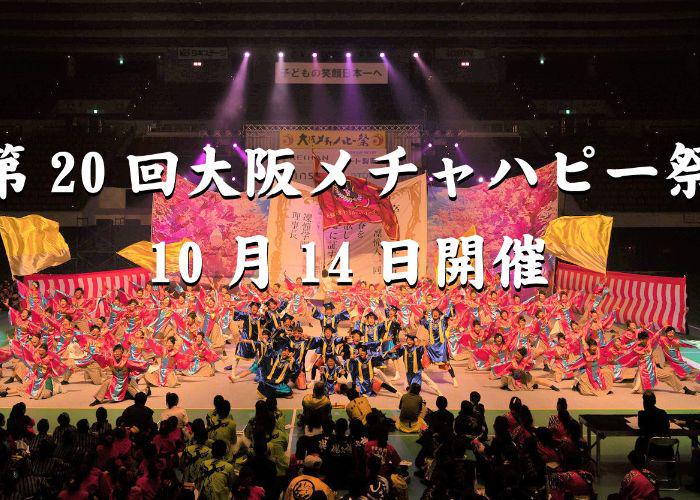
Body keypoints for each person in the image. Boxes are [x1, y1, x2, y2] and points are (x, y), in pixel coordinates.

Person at [635, 389, 670, 454]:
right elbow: (667, 427)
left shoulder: (641, 414)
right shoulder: (663, 413)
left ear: (644, 402)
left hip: (648, 447)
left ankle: (640, 463)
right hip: (664, 449)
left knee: (636, 447)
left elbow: (641, 427)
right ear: (655, 401)